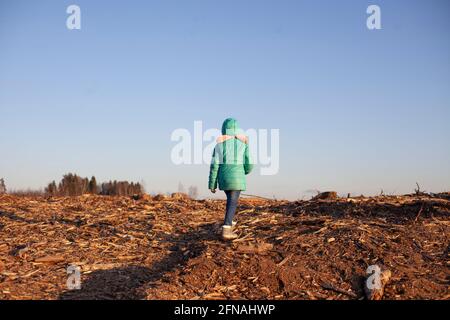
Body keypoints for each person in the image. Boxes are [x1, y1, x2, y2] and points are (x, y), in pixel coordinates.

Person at [208, 118, 253, 240]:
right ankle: (227, 229)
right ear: (237, 130)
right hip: (237, 179)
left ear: (223, 130)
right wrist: (245, 171)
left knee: (231, 200)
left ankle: (230, 222)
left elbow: (214, 166)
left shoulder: (219, 146)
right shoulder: (243, 145)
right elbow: (249, 163)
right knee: (233, 201)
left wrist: (212, 184)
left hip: (224, 179)